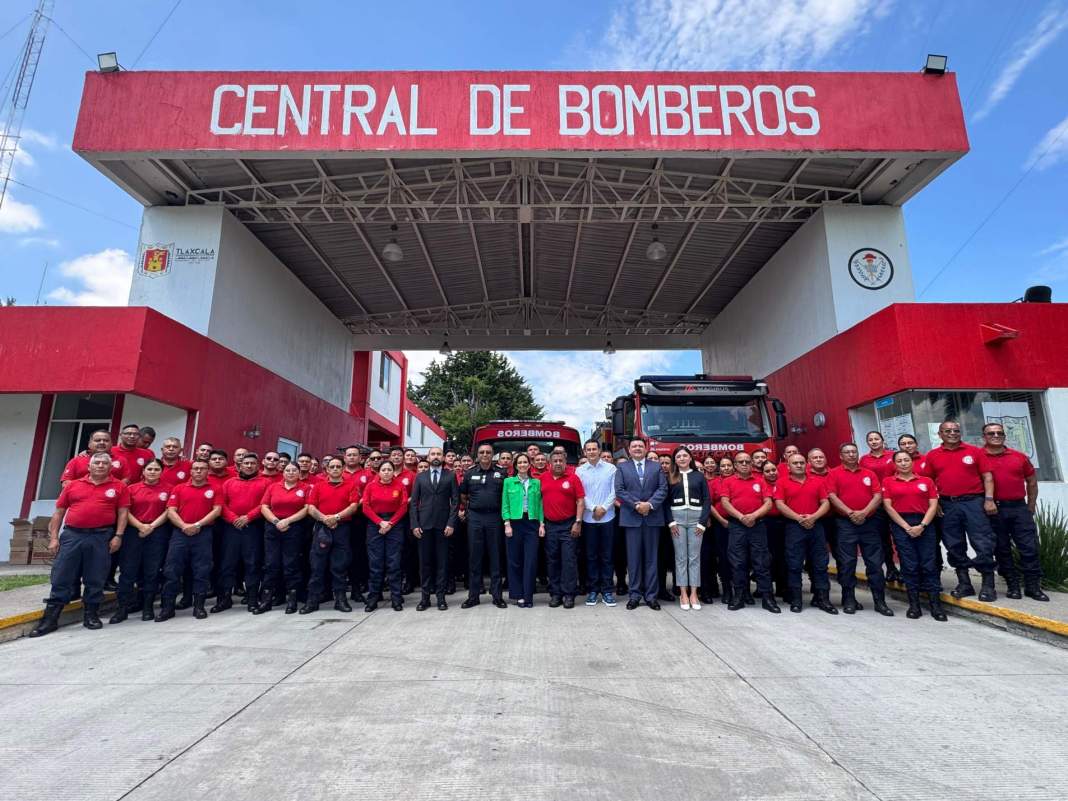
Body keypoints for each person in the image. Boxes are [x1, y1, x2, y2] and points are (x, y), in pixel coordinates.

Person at [29, 452, 129, 637]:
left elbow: (123, 513)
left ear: (110, 467)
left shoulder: (119, 486)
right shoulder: (73, 485)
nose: (100, 465)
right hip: (73, 535)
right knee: (62, 575)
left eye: (104, 463)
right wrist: (53, 538)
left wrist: (118, 536)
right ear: (89, 466)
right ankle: (50, 620)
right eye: (96, 462)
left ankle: (91, 615)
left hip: (101, 536)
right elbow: (59, 512)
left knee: (96, 576)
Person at [926, 420, 998, 601]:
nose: (952, 433)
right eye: (948, 430)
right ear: (940, 434)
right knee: (953, 544)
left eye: (956, 430)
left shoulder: (974, 452)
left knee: (982, 542)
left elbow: (987, 476)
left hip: (974, 503)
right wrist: (936, 503)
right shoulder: (933, 455)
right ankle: (964, 583)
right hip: (948, 505)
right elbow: (928, 482)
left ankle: (988, 585)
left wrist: (989, 499)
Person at [982, 422, 1049, 602]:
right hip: (994, 510)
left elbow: (1032, 482)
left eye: (999, 433)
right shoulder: (979, 457)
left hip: (1019, 508)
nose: (996, 436)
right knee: (1002, 549)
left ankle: (1033, 587)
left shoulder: (1019, 457)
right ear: (984, 437)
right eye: (991, 433)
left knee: (1029, 548)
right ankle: (1012, 586)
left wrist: (1031, 506)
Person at [826, 443, 892, 616]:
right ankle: (848, 599)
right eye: (847, 452)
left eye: (854, 452)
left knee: (875, 564)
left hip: (868, 523)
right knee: (847, 563)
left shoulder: (869, 473)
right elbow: (832, 496)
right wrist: (849, 513)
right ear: (841, 455)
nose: (851, 455)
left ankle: (880, 601)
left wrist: (864, 512)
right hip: (845, 524)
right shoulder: (833, 473)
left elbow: (878, 495)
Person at [882, 451, 946, 620]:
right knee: (909, 565)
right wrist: (906, 527)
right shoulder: (888, 482)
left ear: (912, 462)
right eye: (899, 461)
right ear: (894, 464)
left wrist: (922, 525)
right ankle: (914, 605)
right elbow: (888, 507)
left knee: (929, 563)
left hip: (925, 523)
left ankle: (936, 606)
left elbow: (933, 505)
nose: (903, 463)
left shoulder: (926, 481)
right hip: (901, 524)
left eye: (906, 460)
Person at [156, 460, 221, 622]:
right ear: (190, 471)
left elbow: (217, 510)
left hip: (203, 533)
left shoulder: (215, 488)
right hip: (180, 533)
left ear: (207, 471)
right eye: (195, 469)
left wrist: (198, 524)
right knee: (172, 569)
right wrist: (184, 525)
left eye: (202, 469)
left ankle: (198, 607)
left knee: (202, 570)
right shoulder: (179, 488)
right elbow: (171, 510)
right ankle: (167, 608)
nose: (198, 471)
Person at [774, 454, 837, 614]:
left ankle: (823, 599)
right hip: (794, 527)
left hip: (816, 526)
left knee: (820, 564)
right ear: (788, 466)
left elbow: (825, 502)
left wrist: (813, 517)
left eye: (802, 462)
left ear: (806, 465)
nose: (799, 465)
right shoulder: (782, 482)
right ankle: (796, 600)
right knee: (794, 565)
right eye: (795, 463)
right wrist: (798, 518)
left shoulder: (818, 481)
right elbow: (779, 504)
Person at [110, 458, 170, 624]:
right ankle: (122, 609)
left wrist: (151, 526)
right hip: (133, 533)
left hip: (157, 533)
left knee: (151, 572)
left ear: (161, 471)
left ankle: (147, 607)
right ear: (143, 471)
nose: (153, 472)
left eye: (156, 469)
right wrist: (141, 526)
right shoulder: (131, 488)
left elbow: (169, 511)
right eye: (149, 469)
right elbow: (124, 511)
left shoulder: (169, 489)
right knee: (128, 571)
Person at [719, 452, 780, 613]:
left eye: (747, 461)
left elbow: (768, 503)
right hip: (737, 526)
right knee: (738, 562)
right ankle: (739, 596)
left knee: (762, 562)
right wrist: (741, 517)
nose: (745, 464)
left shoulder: (761, 481)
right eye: (741, 462)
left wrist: (753, 516)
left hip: (757, 525)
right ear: (735, 465)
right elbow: (725, 502)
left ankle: (768, 598)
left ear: (752, 464)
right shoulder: (728, 481)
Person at [301, 457, 360, 614]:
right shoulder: (318, 486)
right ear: (326, 469)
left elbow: (354, 505)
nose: (335, 469)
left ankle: (340, 600)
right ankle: (312, 601)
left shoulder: (351, 485)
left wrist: (336, 517)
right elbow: (311, 507)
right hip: (322, 527)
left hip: (342, 528)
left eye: (338, 466)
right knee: (317, 566)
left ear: (342, 469)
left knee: (339, 566)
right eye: (332, 466)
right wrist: (325, 518)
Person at [214, 453, 272, 614]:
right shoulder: (228, 483)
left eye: (252, 463)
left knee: (252, 564)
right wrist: (234, 519)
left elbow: (265, 505)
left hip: (253, 528)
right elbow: (221, 505)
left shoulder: (265, 483)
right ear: (239, 465)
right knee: (227, 564)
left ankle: (252, 599)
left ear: (257, 466)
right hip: (231, 528)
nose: (249, 466)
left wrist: (248, 517)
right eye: (246, 463)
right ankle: (224, 599)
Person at [614, 439, 668, 610]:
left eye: (640, 446)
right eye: (634, 446)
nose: (637, 448)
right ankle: (635, 595)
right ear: (629, 450)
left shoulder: (656, 466)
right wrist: (637, 505)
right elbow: (620, 490)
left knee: (652, 559)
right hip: (632, 518)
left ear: (646, 449)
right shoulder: (622, 468)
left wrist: (649, 505)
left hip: (652, 517)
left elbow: (663, 489)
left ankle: (651, 596)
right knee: (634, 559)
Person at [255, 463, 310, 614]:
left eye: (294, 470)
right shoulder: (273, 487)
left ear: (299, 473)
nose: (291, 473)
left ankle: (292, 600)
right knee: (271, 564)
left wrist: (288, 521)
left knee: (291, 564)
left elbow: (307, 508)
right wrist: (276, 521)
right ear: (283, 472)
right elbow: (264, 506)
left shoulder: (305, 488)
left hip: (294, 528)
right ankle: (266, 599)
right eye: (287, 470)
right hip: (273, 528)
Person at [458, 444, 508, 609]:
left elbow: (506, 496)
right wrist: (473, 508)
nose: (485, 454)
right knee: (475, 557)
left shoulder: (501, 472)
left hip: (495, 518)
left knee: (495, 557)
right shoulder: (470, 472)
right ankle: (473, 596)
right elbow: (463, 496)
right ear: (477, 455)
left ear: (493, 455)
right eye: (482, 452)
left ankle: (497, 596)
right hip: (475, 518)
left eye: (488, 452)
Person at [409, 446, 459, 611]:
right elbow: (414, 503)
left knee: (442, 563)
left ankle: (441, 598)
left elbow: (455, 502)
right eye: (433, 454)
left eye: (439, 454)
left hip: (443, 526)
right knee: (425, 563)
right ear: (428, 457)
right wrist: (415, 524)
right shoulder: (420, 477)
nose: (436, 456)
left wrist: (451, 523)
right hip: (424, 526)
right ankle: (424, 599)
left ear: (443, 457)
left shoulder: (450, 475)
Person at [666, 446, 710, 611]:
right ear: (675, 460)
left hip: (695, 519)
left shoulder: (699, 476)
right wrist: (671, 522)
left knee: (694, 557)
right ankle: (683, 593)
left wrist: (702, 523)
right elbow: (666, 502)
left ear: (690, 458)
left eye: (685, 456)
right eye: (679, 456)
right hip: (677, 519)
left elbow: (706, 500)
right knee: (681, 557)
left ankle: (694, 593)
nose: (682, 459)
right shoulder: (670, 476)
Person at [362, 460, 409, 612]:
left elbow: (403, 506)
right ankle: (373, 598)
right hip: (375, 525)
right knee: (375, 564)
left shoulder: (399, 486)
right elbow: (366, 507)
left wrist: (390, 524)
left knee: (394, 563)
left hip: (394, 525)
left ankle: (396, 598)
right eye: (384, 469)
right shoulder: (371, 486)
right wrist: (380, 522)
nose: (387, 472)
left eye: (389, 469)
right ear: (379, 472)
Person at [540, 452, 585, 608]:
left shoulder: (573, 478)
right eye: (555, 461)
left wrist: (578, 522)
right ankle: (556, 594)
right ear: (549, 463)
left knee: (569, 561)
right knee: (552, 560)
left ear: (566, 462)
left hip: (568, 525)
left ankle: (569, 594)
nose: (558, 463)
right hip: (550, 525)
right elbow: (538, 501)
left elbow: (580, 500)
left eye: (561, 461)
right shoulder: (543, 478)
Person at [576, 439, 618, 607]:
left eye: (594, 449)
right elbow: (580, 494)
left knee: (607, 556)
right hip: (588, 518)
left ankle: (607, 590)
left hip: (608, 518)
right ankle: (593, 590)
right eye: (589, 449)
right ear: (584, 452)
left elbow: (615, 491)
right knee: (591, 556)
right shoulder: (579, 471)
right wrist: (594, 508)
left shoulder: (611, 469)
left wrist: (604, 508)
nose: (592, 452)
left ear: (600, 451)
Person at [502, 453, 544, 608]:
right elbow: (505, 504)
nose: (522, 465)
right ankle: (518, 595)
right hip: (514, 523)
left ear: (529, 464)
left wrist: (541, 524)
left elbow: (540, 505)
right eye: (519, 462)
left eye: (525, 462)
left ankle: (528, 595)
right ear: (515, 465)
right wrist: (507, 523)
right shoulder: (508, 482)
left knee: (531, 560)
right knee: (515, 560)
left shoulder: (536, 483)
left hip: (531, 523)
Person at [860, 431, 902, 584]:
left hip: (895, 501)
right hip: (876, 504)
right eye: (870, 440)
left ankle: (905, 570)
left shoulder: (893, 455)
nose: (873, 441)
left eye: (876, 439)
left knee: (900, 537)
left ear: (882, 440)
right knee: (883, 538)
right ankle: (891, 568)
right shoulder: (864, 460)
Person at [762, 460, 788, 601]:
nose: (771, 473)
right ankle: (765, 589)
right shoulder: (761, 485)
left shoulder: (784, 483)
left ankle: (782, 588)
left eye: (773, 470)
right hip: (766, 524)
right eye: (767, 471)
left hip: (784, 523)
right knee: (767, 558)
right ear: (763, 473)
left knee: (784, 557)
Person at [60, 430, 125, 485]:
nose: (102, 442)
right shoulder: (76, 461)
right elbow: (66, 482)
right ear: (89, 444)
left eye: (106, 440)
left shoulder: (121, 460)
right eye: (97, 440)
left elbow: (126, 480)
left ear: (111, 444)